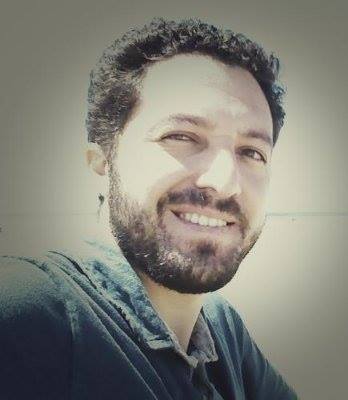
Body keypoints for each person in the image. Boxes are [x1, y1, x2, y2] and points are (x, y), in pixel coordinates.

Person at [0, 18, 298, 399]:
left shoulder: (223, 331)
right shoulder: (28, 314)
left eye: (252, 152)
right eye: (181, 136)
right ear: (102, 160)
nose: (225, 182)